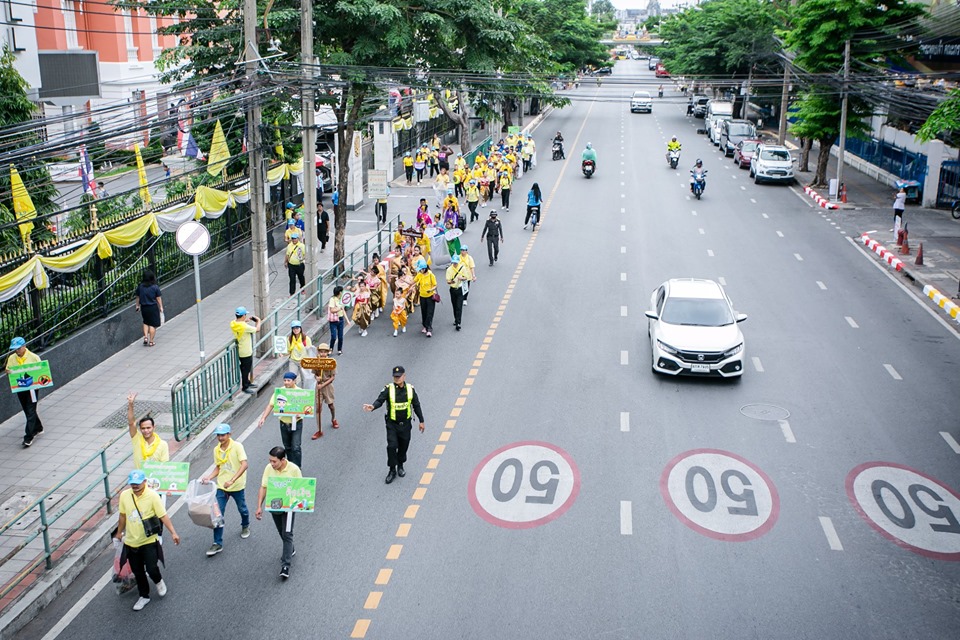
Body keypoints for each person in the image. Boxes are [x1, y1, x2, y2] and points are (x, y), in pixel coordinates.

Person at [114, 469, 180, 611]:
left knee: (151, 568)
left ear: (144, 482)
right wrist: (119, 532)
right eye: (132, 484)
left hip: (149, 540)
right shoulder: (125, 495)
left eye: (138, 483)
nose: (135, 486)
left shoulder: (153, 496)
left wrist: (173, 533)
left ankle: (158, 581)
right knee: (138, 571)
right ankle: (144, 595)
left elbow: (163, 515)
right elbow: (123, 516)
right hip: (131, 542)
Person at [362, 366, 425, 484]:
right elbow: (380, 400)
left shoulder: (410, 389)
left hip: (405, 425)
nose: (397, 378)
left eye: (399, 376)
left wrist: (421, 421)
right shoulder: (388, 389)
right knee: (391, 446)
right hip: (392, 424)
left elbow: (416, 405)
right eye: (395, 377)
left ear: (404, 376)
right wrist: (373, 406)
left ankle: (400, 465)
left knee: (403, 446)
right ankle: (392, 470)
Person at [201, 424, 250, 556]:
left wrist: (232, 480)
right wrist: (209, 477)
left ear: (229, 434)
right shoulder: (216, 450)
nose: (220, 438)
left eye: (223, 435)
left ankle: (245, 525)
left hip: (237, 485)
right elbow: (219, 467)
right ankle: (217, 543)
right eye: (218, 435)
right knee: (217, 514)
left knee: (242, 509)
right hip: (222, 486)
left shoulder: (237, 446)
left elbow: (244, 464)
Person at [254, 446, 301, 580]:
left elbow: (301, 488)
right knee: (281, 531)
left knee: (287, 534)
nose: (271, 464)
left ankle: (285, 565)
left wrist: (295, 503)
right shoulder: (269, 468)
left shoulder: (294, 470)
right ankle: (290, 548)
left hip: (289, 507)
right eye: (270, 461)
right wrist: (259, 506)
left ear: (283, 460)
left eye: (274, 461)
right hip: (275, 505)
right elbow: (264, 487)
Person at [4, 337, 45, 447]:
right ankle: (38, 427)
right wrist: (8, 372)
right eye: (15, 349)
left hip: (32, 388)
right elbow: (8, 370)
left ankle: (28, 437)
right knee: (27, 410)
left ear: (24, 346)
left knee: (31, 410)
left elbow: (41, 371)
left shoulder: (34, 357)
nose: (17, 351)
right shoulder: (12, 358)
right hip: (20, 388)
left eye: (18, 348)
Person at [258, 372, 304, 468]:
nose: (286, 382)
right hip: (284, 423)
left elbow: (306, 407)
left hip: (296, 423)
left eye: (288, 380)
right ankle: (291, 466)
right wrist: (263, 418)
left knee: (296, 447)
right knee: (287, 447)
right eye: (285, 380)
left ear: (294, 381)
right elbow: (271, 405)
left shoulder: (300, 393)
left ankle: (297, 468)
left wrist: (301, 413)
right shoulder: (280, 392)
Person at [127, 392, 169, 468]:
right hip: (139, 475)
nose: (146, 431)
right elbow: (131, 423)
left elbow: (164, 466)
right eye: (143, 428)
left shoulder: (163, 444)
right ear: (140, 429)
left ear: (153, 427)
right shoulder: (137, 439)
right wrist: (130, 404)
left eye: (148, 428)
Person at [230, 307, 262, 394]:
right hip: (246, 351)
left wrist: (245, 321)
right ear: (243, 315)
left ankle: (247, 382)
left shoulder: (233, 323)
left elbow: (240, 324)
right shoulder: (244, 326)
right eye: (245, 315)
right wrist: (258, 321)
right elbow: (257, 329)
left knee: (244, 368)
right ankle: (245, 387)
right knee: (246, 370)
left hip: (240, 349)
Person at [312, 342, 338, 438]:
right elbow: (314, 373)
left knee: (331, 405)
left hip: (327, 386)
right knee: (318, 408)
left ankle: (333, 419)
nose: (323, 354)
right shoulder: (316, 361)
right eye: (321, 351)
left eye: (325, 352)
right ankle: (319, 430)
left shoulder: (331, 362)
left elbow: (332, 377)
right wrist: (316, 377)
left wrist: (323, 385)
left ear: (327, 353)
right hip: (319, 386)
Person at [134, 269, 164, 347]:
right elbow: (158, 298)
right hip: (152, 307)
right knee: (152, 324)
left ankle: (145, 337)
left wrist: (137, 305)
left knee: (145, 322)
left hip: (144, 308)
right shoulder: (155, 287)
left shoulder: (140, 287)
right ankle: (151, 341)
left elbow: (137, 297)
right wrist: (161, 307)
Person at [414, 258, 438, 337]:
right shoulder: (419, 274)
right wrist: (403, 281)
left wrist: (431, 289)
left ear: (424, 269)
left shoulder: (431, 275)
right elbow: (413, 281)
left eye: (421, 269)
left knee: (429, 313)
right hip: (422, 296)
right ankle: (424, 325)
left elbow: (435, 285)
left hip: (430, 296)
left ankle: (429, 329)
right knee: (423, 312)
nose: (420, 271)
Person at [446, 254, 469, 331]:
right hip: (453, 289)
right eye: (454, 263)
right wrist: (453, 281)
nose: (455, 264)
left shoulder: (462, 268)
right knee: (454, 305)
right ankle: (456, 319)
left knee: (459, 306)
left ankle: (458, 322)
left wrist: (461, 278)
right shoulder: (449, 269)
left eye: (456, 263)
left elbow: (466, 277)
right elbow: (448, 281)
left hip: (460, 289)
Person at [327, 286, 346, 355]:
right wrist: (339, 308)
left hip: (341, 318)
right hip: (334, 320)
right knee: (334, 336)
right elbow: (332, 310)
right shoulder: (332, 299)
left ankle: (339, 349)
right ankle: (331, 349)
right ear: (340, 292)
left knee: (340, 336)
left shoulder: (342, 299)